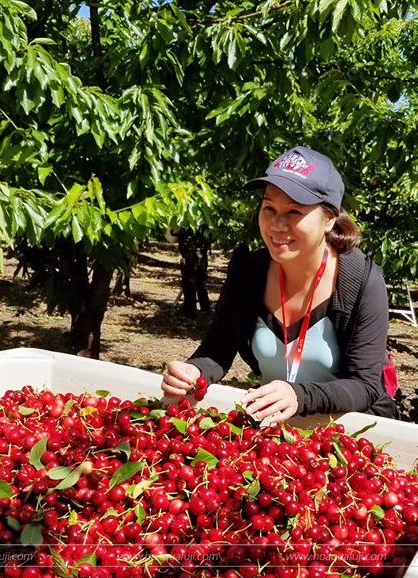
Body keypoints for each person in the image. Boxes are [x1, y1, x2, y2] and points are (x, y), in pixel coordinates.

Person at [161, 146, 395, 423]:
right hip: (279, 430)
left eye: (294, 211)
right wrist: (193, 371)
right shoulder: (247, 271)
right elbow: (217, 348)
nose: (277, 224)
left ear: (330, 218)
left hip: (352, 432)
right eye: (269, 207)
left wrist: (300, 395)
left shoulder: (360, 281)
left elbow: (365, 385)